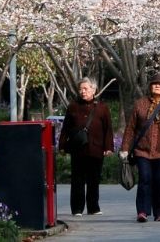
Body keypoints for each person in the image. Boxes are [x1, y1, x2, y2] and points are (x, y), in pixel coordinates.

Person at [120, 73, 160, 223]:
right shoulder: (140, 104)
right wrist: (124, 148)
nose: (157, 85)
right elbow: (130, 128)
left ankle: (159, 213)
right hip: (142, 150)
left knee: (159, 181)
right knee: (145, 179)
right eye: (154, 83)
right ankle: (142, 211)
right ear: (150, 87)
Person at [59, 77, 114, 216]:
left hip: (96, 148)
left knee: (93, 180)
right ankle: (77, 208)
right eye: (80, 89)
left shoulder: (102, 107)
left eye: (86, 89)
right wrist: (62, 145)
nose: (83, 92)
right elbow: (66, 127)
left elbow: (108, 129)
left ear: (93, 90)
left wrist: (108, 147)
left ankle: (93, 207)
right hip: (78, 149)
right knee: (77, 179)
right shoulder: (73, 106)